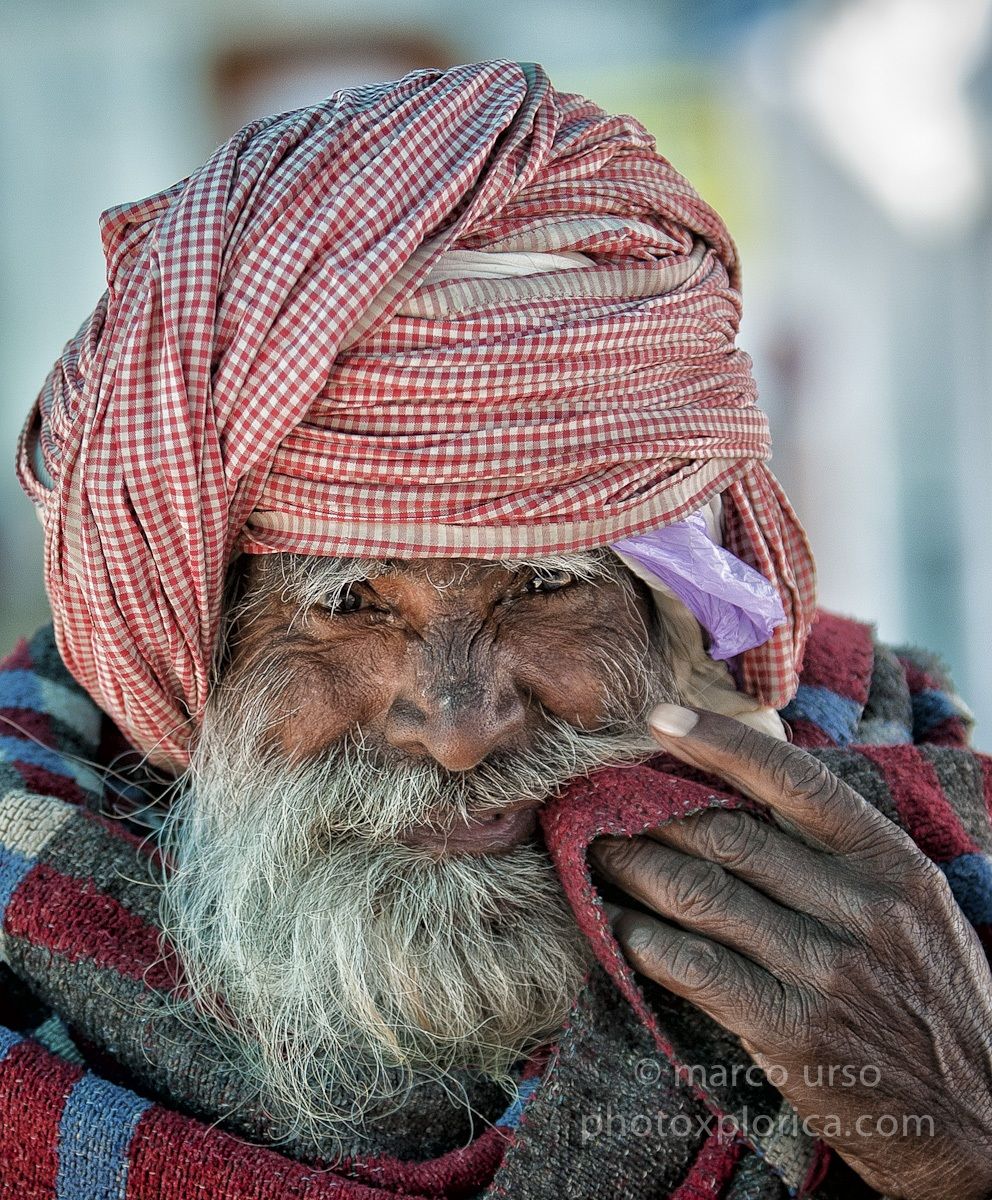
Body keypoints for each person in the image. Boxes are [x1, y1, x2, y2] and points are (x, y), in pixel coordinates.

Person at [0, 60, 989, 1200]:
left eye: (546, 586)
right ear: (184, 640)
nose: (463, 728)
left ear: (666, 610)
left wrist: (960, 1133)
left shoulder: (913, 869)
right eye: (348, 604)